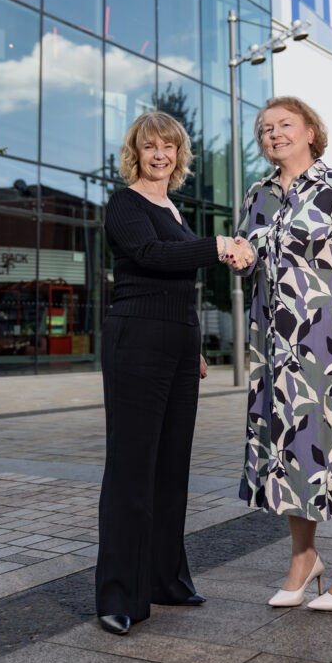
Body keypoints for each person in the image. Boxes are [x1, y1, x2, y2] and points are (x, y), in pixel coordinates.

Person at [96, 111, 253, 635]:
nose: (159, 153)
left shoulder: (175, 209)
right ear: (135, 153)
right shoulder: (125, 204)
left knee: (171, 470)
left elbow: (179, 285)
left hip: (178, 347)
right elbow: (150, 257)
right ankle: (119, 596)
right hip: (135, 343)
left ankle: (166, 580)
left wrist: (194, 344)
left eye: (169, 145)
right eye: (150, 146)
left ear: (179, 154)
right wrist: (218, 246)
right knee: (131, 471)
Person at [236, 96, 332, 611]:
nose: (273, 133)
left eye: (284, 125)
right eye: (265, 128)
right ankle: (304, 560)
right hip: (278, 348)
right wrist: (239, 254)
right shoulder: (259, 195)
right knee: (292, 447)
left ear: (310, 132)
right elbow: (249, 255)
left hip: (329, 341)